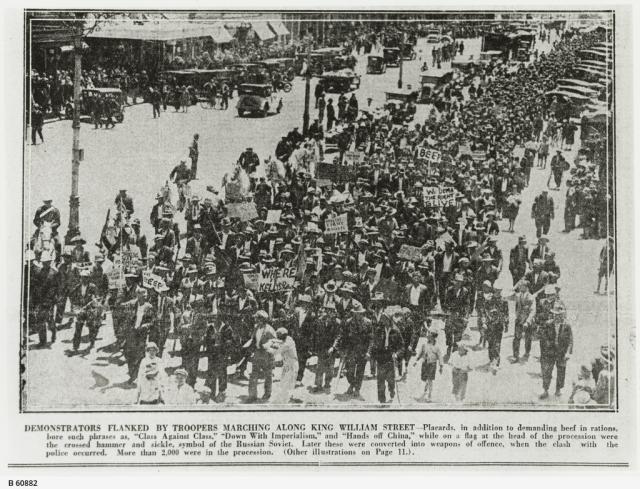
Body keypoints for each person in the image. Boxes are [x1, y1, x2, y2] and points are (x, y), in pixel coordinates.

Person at [538, 302, 573, 400]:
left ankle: (558, 389)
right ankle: (545, 390)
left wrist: (568, 353)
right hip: (550, 352)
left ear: (563, 315)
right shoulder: (548, 324)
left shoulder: (567, 326)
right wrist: (545, 350)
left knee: (561, 371)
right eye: (555, 314)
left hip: (562, 353)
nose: (557, 316)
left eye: (559, 315)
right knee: (547, 371)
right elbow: (543, 338)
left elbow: (570, 340)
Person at [369, 313, 403, 404]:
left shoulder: (396, 331)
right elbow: (373, 342)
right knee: (380, 380)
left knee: (391, 380)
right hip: (380, 357)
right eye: (382, 319)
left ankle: (392, 391)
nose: (383, 321)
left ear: (389, 320)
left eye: (385, 319)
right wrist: (372, 354)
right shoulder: (379, 330)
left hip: (390, 357)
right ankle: (382, 400)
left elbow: (401, 346)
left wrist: (396, 354)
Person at [247, 310, 276, 402]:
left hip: (266, 355)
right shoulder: (256, 327)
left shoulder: (269, 329)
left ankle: (267, 394)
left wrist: (267, 345)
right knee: (253, 374)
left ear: (261, 319)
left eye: (257, 318)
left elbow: (275, 342)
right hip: (257, 353)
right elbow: (253, 339)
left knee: (268, 375)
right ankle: (252, 395)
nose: (255, 319)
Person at [505, 280, 536, 362]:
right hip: (519, 320)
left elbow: (533, 311)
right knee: (516, 338)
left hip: (527, 321)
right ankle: (516, 355)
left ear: (526, 287)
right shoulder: (518, 295)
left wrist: (528, 321)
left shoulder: (531, 297)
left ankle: (527, 352)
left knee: (528, 338)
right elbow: (509, 297)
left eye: (521, 286)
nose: (520, 287)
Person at [270, 327, 299, 405]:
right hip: (288, 364)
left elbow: (276, 351)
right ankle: (287, 399)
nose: (277, 337)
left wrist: (271, 345)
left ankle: (286, 402)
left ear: (282, 336)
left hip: (291, 365)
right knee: (284, 383)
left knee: (287, 384)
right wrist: (274, 341)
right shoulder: (289, 338)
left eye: (278, 335)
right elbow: (280, 341)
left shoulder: (287, 344)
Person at [413, 330, 443, 402]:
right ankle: (425, 390)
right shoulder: (424, 345)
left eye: (429, 336)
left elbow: (440, 357)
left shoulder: (437, 347)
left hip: (432, 364)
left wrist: (441, 366)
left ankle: (430, 395)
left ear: (433, 337)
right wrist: (416, 361)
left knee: (430, 380)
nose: (428, 337)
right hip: (425, 364)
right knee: (424, 379)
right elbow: (421, 353)